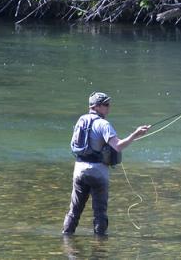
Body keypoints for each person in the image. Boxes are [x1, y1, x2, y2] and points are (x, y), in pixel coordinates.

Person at [62, 92, 150, 236]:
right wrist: (135, 134)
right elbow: (118, 146)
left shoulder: (81, 120)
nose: (109, 108)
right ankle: (100, 244)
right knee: (100, 212)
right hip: (98, 172)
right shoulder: (103, 124)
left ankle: (66, 238)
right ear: (97, 107)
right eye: (106, 105)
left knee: (74, 209)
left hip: (79, 170)